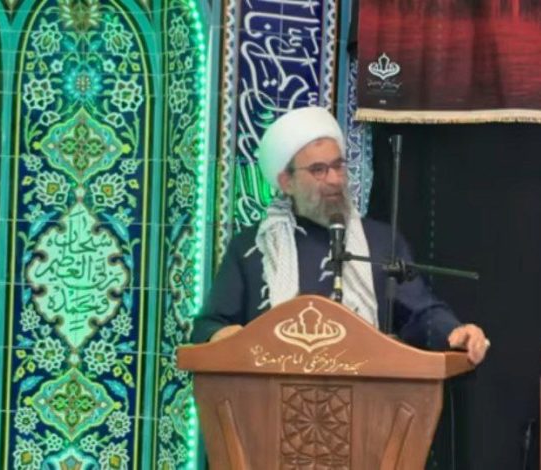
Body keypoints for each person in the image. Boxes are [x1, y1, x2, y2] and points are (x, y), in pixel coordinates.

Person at [192, 106, 489, 364]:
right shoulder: (252, 248)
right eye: (318, 170)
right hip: (269, 399)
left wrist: (454, 331)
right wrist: (227, 337)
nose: (334, 179)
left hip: (368, 398)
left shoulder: (380, 241)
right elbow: (209, 326)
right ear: (286, 182)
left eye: (338, 166)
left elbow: (421, 313)